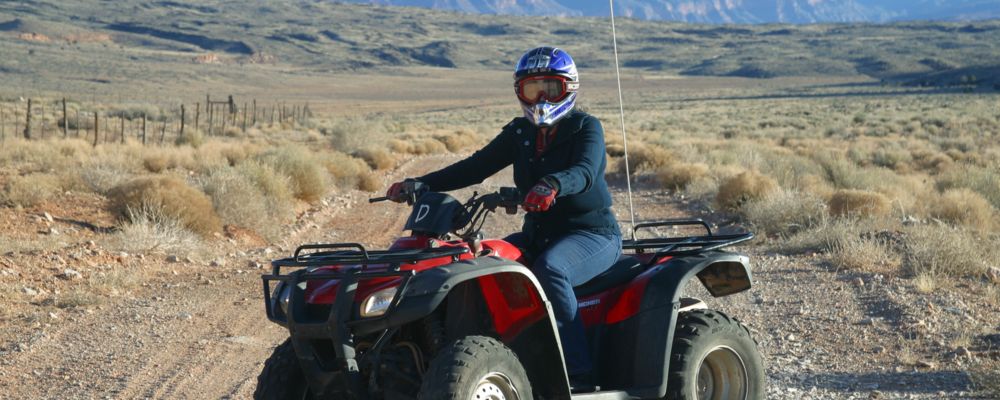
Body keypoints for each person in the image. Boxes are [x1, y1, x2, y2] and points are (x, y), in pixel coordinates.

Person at [385, 46, 621, 387]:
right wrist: (421, 183)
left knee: (552, 270)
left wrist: (553, 184)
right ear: (519, 91)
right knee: (480, 264)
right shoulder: (520, 132)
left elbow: (585, 170)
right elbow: (474, 167)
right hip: (538, 236)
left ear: (568, 88)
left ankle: (578, 373)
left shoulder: (586, 127)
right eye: (531, 88)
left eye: (550, 88)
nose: (541, 97)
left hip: (592, 234)